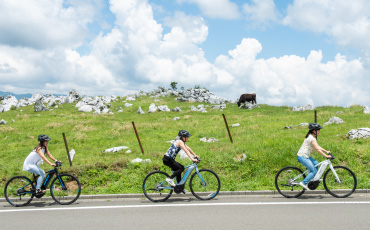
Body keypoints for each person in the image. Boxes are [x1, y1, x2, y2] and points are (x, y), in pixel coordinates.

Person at [297, 123, 332, 190]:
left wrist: (326, 151)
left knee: (316, 163)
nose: (319, 131)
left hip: (305, 156)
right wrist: (326, 156)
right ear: (314, 131)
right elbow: (317, 149)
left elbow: (318, 146)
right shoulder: (311, 138)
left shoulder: (312, 137)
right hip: (302, 157)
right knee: (313, 171)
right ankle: (304, 183)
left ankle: (312, 180)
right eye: (318, 130)